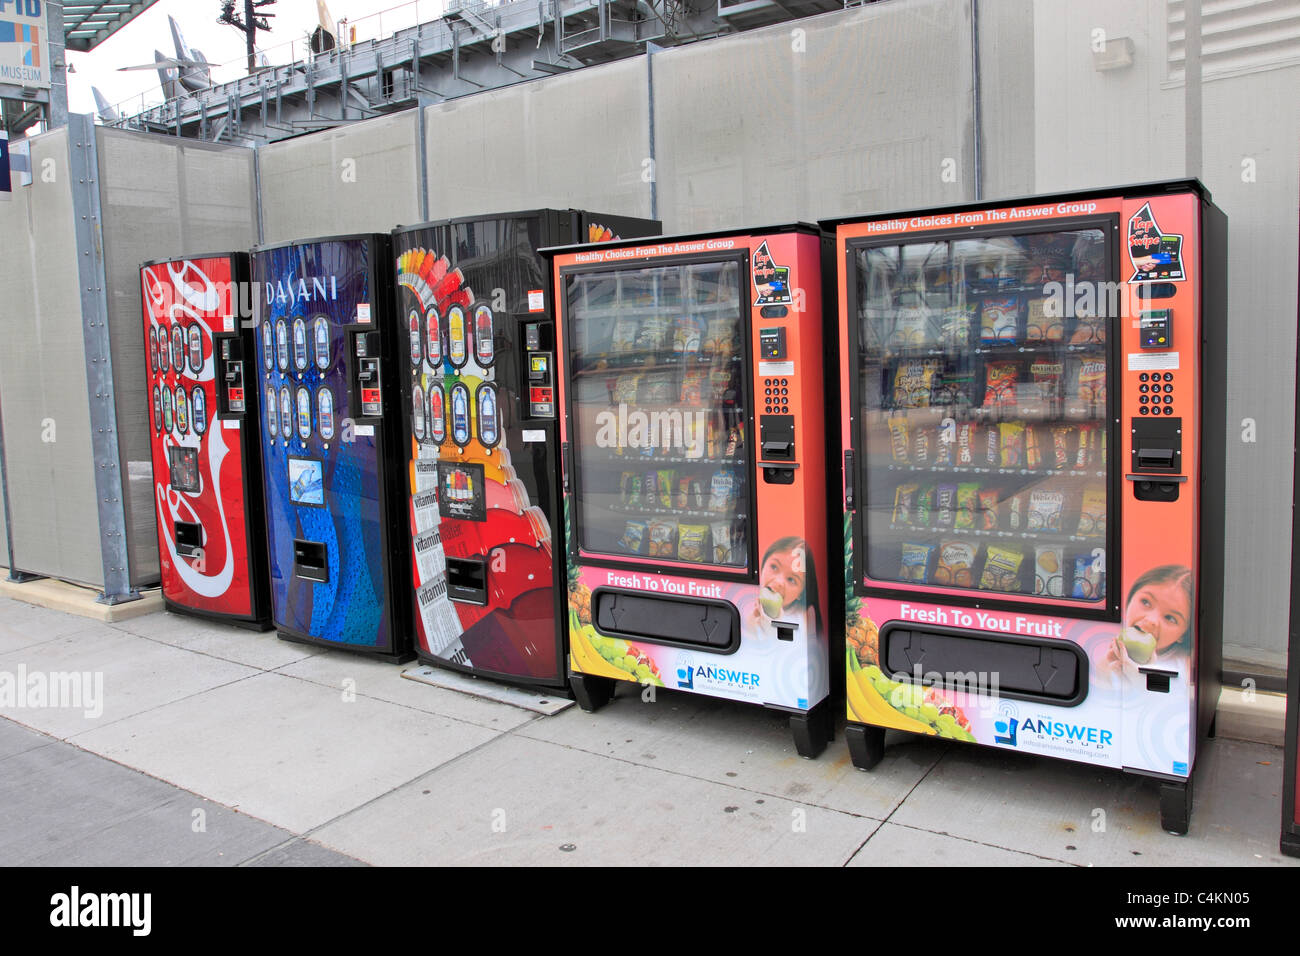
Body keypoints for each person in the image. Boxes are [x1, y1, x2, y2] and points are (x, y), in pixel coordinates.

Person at [1102, 564, 1193, 681]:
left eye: (1170, 618)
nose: (1151, 620)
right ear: (1130, 598)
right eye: (1145, 602)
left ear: (1184, 634)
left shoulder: (1186, 667)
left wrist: (1139, 682)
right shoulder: (1106, 644)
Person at [744, 536, 819, 641]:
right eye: (774, 567)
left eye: (791, 580)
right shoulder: (750, 607)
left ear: (801, 593)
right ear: (763, 565)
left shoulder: (806, 615)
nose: (778, 582)